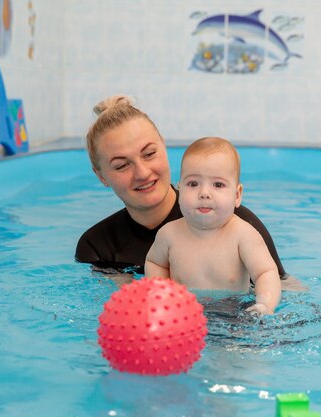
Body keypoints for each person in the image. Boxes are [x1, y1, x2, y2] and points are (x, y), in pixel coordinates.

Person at [75, 95, 304, 290]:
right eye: (121, 165)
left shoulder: (235, 222)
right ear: (101, 176)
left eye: (149, 154)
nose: (142, 173)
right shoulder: (98, 247)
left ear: (164, 147)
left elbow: (285, 291)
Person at [145, 137, 281, 315]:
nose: (204, 193)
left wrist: (264, 304)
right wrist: (160, 295)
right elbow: (155, 263)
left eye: (218, 185)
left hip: (233, 314)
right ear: (179, 189)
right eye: (193, 184)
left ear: (237, 195)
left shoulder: (243, 235)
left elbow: (266, 273)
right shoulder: (169, 234)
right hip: (184, 314)